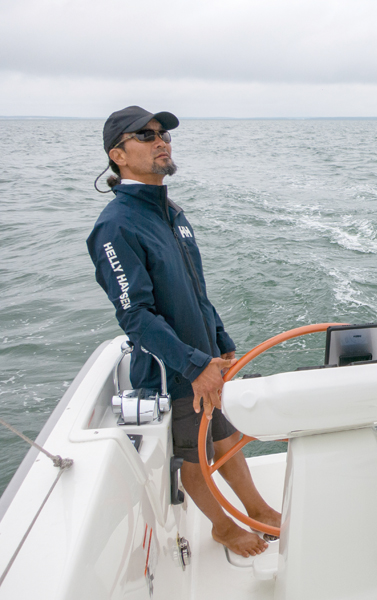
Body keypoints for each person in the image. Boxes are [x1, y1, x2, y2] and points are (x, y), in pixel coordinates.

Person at [87, 106, 280, 557]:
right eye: (146, 135)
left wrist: (221, 344)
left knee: (226, 438)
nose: (162, 141)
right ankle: (224, 527)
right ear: (118, 154)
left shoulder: (171, 212)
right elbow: (134, 314)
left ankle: (258, 508)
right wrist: (194, 366)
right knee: (194, 454)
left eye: (164, 134)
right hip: (174, 369)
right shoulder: (115, 226)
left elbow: (197, 289)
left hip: (206, 358)